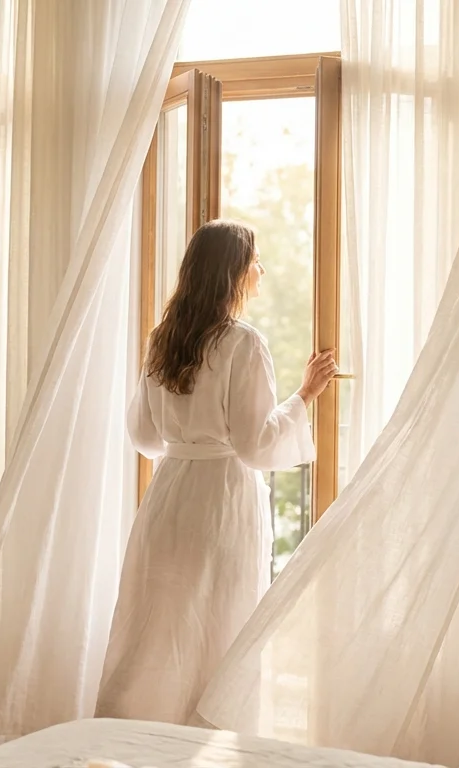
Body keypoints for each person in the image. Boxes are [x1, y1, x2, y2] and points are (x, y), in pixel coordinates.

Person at [94, 219, 338, 725]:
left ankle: (129, 741)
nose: (261, 270)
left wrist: (186, 441)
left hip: (167, 498)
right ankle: (209, 741)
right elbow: (253, 445)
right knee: (218, 622)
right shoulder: (243, 343)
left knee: (156, 624)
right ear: (234, 273)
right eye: (254, 261)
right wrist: (306, 396)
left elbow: (144, 436)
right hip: (221, 501)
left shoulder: (162, 339)